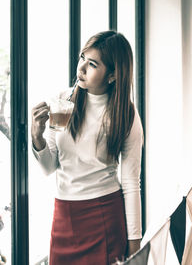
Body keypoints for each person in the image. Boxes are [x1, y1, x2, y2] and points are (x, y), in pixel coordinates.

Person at [31, 31, 143, 264]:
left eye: (92, 64)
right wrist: (37, 136)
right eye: (83, 58)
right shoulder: (63, 100)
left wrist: (135, 245)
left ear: (112, 75)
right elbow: (49, 166)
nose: (81, 68)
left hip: (103, 217)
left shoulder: (125, 114)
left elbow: (131, 183)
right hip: (63, 216)